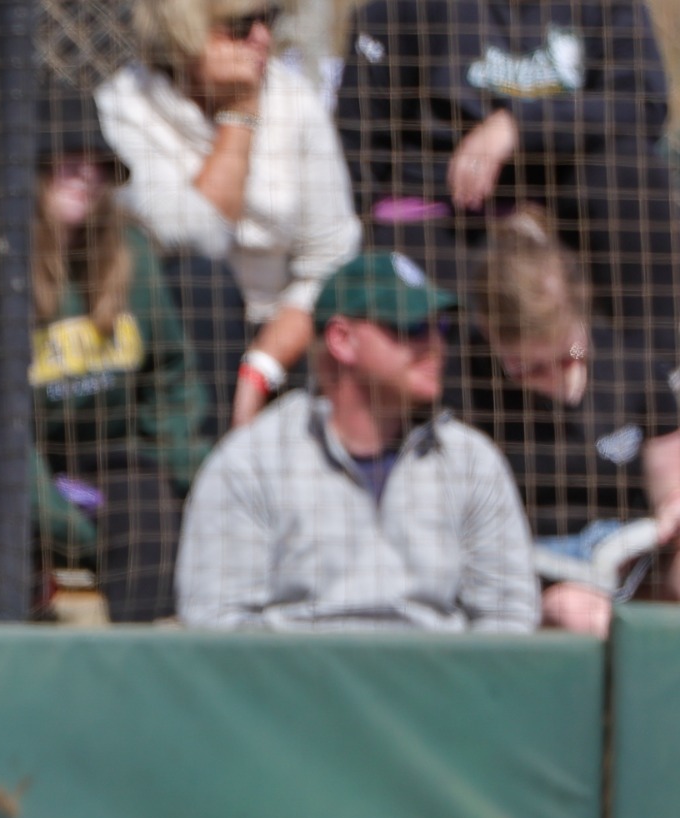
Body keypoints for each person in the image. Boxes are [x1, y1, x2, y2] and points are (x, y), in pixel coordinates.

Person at [0, 74, 208, 623]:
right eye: (66, 158)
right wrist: (59, 517)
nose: (86, 174)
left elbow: (172, 378)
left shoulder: (130, 253)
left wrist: (180, 474)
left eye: (97, 161)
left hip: (97, 451)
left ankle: (136, 670)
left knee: (145, 500)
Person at [175, 250, 540, 631]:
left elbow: (507, 618)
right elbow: (216, 624)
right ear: (342, 340)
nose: (435, 344)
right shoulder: (252, 461)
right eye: (412, 327)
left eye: (441, 326)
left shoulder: (470, 460)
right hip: (298, 684)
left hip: (436, 684)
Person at [334, 0, 680, 361]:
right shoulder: (399, 11)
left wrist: (519, 127)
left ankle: (660, 384)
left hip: (568, 221)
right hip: (445, 223)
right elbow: (357, 154)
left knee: (631, 169)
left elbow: (644, 101)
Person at [96, 0, 360, 433]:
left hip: (281, 329)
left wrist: (262, 365)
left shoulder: (294, 100)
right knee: (201, 281)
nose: (263, 38)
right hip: (175, 329)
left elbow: (331, 257)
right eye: (241, 26)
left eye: (268, 20)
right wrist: (239, 117)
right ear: (183, 32)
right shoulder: (124, 108)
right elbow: (198, 238)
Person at [449, 209, 680, 635]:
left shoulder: (632, 368)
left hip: (627, 553)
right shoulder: (464, 388)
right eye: (530, 369)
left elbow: (672, 485)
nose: (555, 378)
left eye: (567, 357)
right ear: (489, 334)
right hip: (530, 568)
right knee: (581, 616)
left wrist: (672, 508)